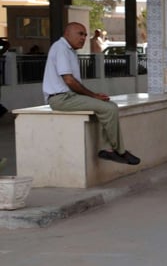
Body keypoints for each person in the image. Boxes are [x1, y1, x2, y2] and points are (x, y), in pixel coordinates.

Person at [42, 22, 140, 165]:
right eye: (80, 34)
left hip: (68, 97)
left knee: (108, 105)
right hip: (60, 99)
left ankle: (110, 149)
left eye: (85, 34)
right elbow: (69, 80)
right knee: (109, 108)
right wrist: (93, 96)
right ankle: (119, 151)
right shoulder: (60, 48)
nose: (83, 38)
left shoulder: (68, 49)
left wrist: (93, 96)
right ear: (67, 34)